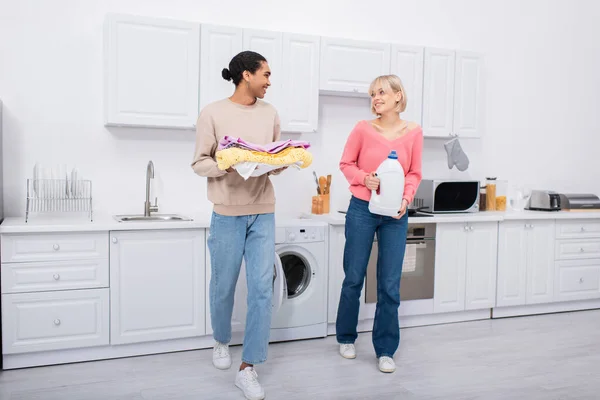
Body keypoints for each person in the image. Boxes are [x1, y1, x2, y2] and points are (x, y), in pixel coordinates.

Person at [191, 50, 284, 400]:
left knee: (262, 289)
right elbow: (199, 162)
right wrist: (225, 165)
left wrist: (281, 163)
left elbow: (273, 158)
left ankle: (249, 367)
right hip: (227, 212)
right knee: (224, 285)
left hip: (263, 210)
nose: (269, 82)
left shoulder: (270, 113)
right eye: (266, 75)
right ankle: (220, 340)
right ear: (246, 75)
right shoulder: (213, 112)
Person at [335, 74, 423, 373]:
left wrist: (406, 199)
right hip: (362, 208)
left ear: (399, 96)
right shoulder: (362, 129)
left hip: (395, 214)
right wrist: (365, 179)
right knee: (354, 277)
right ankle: (346, 337)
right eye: (373, 94)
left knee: (389, 284)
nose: (376, 98)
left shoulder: (413, 132)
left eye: (382, 92)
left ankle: (386, 349)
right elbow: (346, 164)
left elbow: (414, 173)